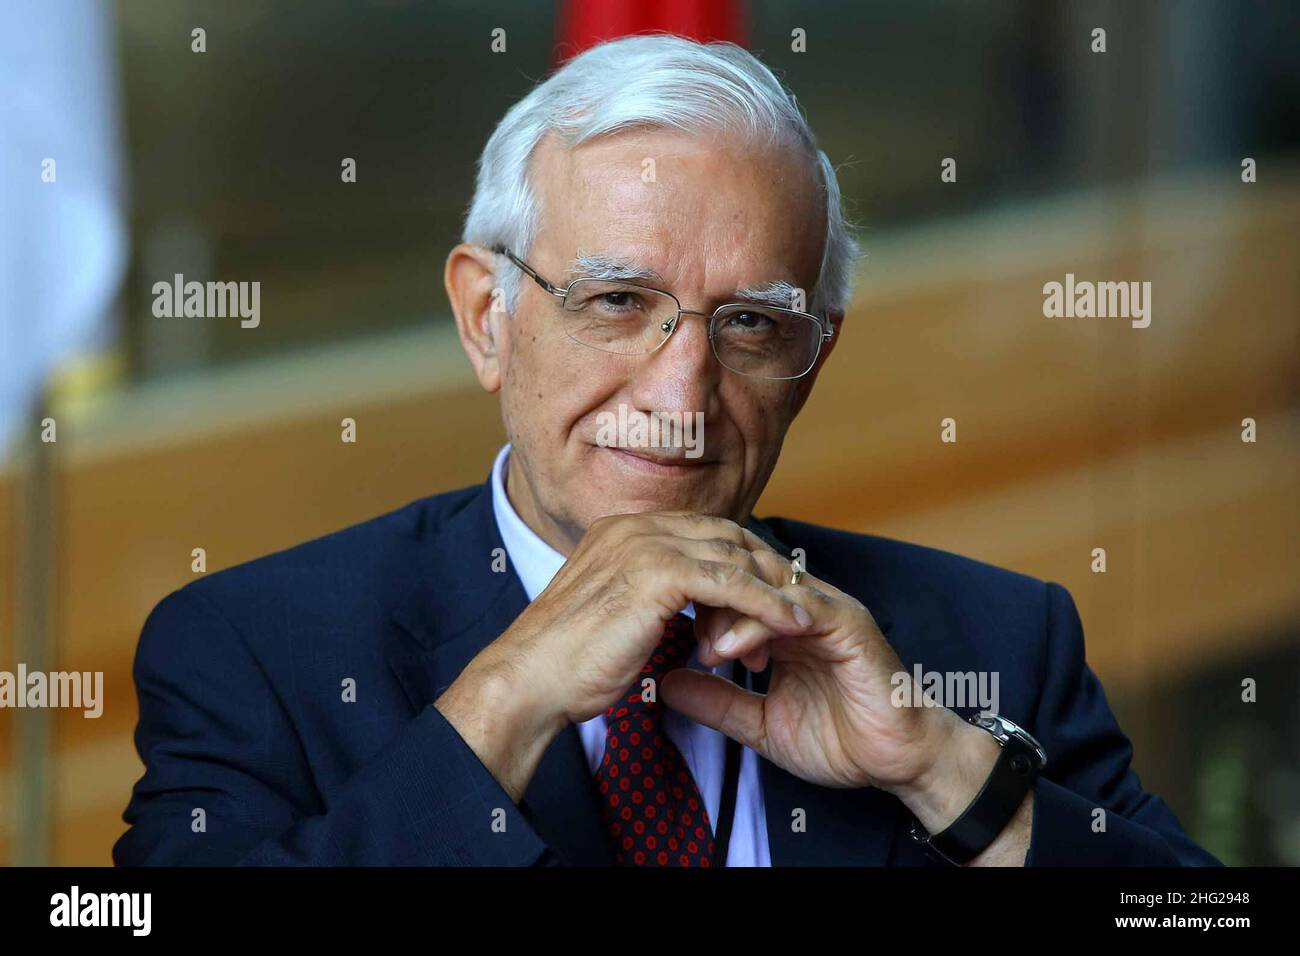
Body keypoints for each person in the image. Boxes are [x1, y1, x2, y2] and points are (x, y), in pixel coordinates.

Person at [114, 35, 1219, 867]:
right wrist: (500, 704)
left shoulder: (990, 640)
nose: (680, 390)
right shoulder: (255, 652)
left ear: (814, 358)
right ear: (483, 317)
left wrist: (948, 772)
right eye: (614, 299)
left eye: (748, 323)